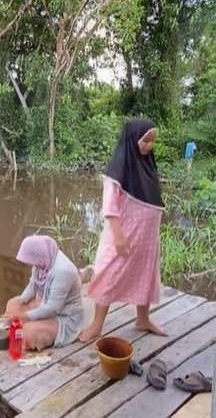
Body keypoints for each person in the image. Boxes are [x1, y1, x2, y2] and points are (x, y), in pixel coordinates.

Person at [79, 118, 166, 342]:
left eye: (152, 141)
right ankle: (97, 325)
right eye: (146, 140)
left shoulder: (147, 166)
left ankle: (143, 318)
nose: (150, 145)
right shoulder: (118, 170)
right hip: (123, 236)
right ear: (132, 140)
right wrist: (118, 235)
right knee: (109, 274)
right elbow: (110, 206)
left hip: (146, 239)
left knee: (146, 275)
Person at [4, 235, 84, 350]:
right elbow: (33, 284)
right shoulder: (43, 259)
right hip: (43, 303)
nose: (32, 265)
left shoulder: (63, 271)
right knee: (12, 304)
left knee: (27, 334)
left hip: (62, 317)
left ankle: (37, 330)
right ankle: (26, 323)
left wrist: (26, 316)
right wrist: (21, 300)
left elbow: (53, 307)